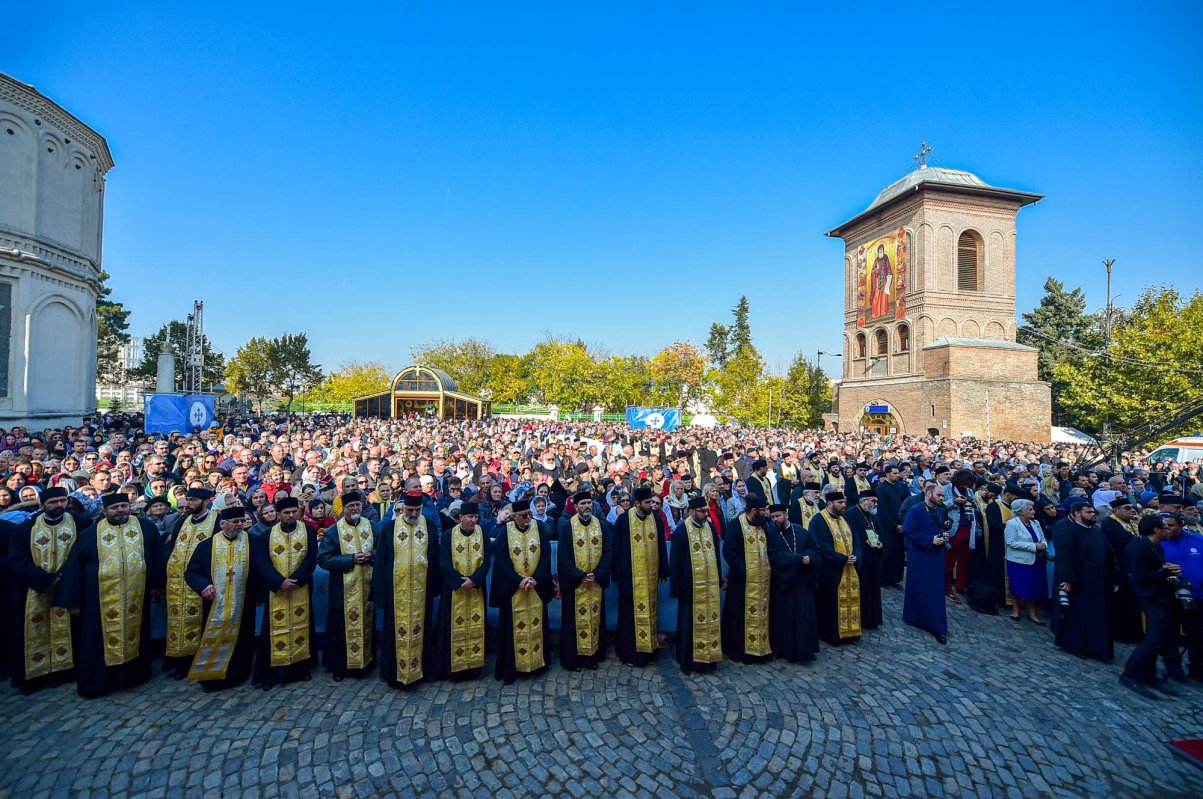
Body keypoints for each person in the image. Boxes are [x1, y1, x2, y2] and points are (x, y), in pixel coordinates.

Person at [55, 494, 165, 698]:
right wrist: (73, 601)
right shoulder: (90, 534)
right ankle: (99, 683)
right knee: (96, 641)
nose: (121, 510)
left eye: (124, 505)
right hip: (98, 600)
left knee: (137, 635)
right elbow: (74, 568)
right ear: (105, 511)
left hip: (136, 595)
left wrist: (158, 585)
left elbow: (156, 556)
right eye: (115, 507)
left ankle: (133, 676)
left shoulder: (145, 528)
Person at [9, 487, 84, 693]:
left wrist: (64, 579)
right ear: (42, 505)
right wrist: (45, 579)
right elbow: (18, 561)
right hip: (34, 590)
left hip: (68, 588)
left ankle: (64, 672)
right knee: (33, 631)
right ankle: (36, 677)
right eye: (53, 502)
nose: (59, 505)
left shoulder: (80, 524)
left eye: (62, 501)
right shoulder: (25, 529)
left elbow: (82, 557)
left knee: (70, 631)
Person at [185, 506, 258, 690]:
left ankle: (238, 674)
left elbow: (260, 570)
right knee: (214, 637)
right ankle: (212, 677)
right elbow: (192, 572)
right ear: (223, 524)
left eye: (242, 521)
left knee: (242, 640)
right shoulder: (207, 546)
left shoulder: (253, 543)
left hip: (243, 603)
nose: (240, 525)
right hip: (214, 604)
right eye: (235, 522)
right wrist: (203, 586)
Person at [372, 491, 440, 688]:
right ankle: (394, 672)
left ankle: (423, 670)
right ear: (402, 509)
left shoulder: (429, 527)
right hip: (396, 592)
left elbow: (434, 558)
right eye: (410, 510)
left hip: (421, 590)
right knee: (394, 632)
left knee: (423, 629)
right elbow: (382, 563)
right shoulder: (390, 529)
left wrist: (434, 586)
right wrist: (381, 594)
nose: (413, 513)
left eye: (417, 510)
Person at [251, 496, 318, 690]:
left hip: (300, 588)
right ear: (278, 515)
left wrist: (295, 580)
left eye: (293, 512)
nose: (290, 516)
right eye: (286, 513)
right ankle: (274, 672)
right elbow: (262, 563)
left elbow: (310, 559)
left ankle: (300, 669)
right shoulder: (266, 536)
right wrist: (279, 582)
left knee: (302, 626)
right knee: (273, 629)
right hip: (276, 591)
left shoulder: (308, 531)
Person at [1118, 515, 1183, 700]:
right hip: (1149, 598)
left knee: (1161, 637)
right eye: (1165, 527)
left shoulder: (1156, 546)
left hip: (1161, 596)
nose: (1168, 530)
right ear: (1156, 530)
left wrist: (1168, 571)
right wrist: (1165, 572)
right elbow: (1140, 577)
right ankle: (1130, 674)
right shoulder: (1138, 547)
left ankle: (1148, 674)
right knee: (1153, 638)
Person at [490, 499, 553, 684]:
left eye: (529, 514)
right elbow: (503, 563)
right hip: (514, 589)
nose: (528, 519)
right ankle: (513, 666)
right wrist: (519, 580)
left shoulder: (539, 529)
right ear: (515, 517)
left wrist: (536, 578)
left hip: (536, 587)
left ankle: (537, 663)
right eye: (524, 516)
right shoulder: (505, 533)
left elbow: (545, 556)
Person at [317, 489, 377, 681]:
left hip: (367, 589)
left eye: (358, 505)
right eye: (351, 506)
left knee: (367, 625)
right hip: (343, 590)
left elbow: (383, 549)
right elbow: (324, 559)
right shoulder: (335, 530)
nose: (355, 509)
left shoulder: (372, 526)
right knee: (340, 628)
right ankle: (341, 667)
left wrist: (372, 555)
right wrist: (350, 559)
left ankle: (366, 663)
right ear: (344, 509)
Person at [162, 487, 217, 679]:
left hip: (202, 583)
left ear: (205, 502)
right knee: (178, 624)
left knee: (200, 624)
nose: (188, 504)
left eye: (193, 500)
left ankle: (195, 663)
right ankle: (178, 660)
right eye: (188, 500)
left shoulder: (216, 521)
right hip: (178, 583)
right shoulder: (182, 522)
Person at [611, 486, 669, 666]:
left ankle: (649, 651)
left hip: (650, 579)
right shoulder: (623, 521)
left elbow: (661, 545)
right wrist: (620, 577)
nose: (651, 505)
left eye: (651, 502)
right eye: (647, 503)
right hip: (630, 579)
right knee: (629, 618)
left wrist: (663, 570)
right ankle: (629, 654)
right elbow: (617, 550)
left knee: (650, 614)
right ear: (637, 503)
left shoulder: (656, 520)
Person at [1053, 500, 1116, 663]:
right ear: (1076, 514)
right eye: (1088, 512)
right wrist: (1067, 579)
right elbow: (1064, 557)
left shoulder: (1096, 531)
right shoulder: (1068, 531)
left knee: (1098, 616)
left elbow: (1110, 556)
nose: (1093, 514)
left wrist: (1115, 578)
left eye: (1093, 512)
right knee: (1078, 616)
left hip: (1099, 581)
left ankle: (1097, 648)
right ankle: (1075, 646)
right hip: (1079, 581)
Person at [435, 501, 492, 680]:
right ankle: (456, 669)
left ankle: (474, 666)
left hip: (476, 588)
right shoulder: (448, 536)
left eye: (475, 517)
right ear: (460, 517)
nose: (473, 520)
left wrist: (474, 580)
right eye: (469, 517)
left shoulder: (482, 533)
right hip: (454, 591)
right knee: (452, 627)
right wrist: (459, 582)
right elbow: (444, 563)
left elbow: (486, 560)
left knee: (476, 624)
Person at [557, 490, 612, 671]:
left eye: (589, 503)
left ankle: (591, 658)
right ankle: (573, 660)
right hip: (576, 584)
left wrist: (598, 572)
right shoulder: (567, 526)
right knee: (573, 622)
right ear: (576, 506)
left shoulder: (601, 525)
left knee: (594, 619)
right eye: (583, 504)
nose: (587, 506)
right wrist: (579, 575)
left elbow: (607, 552)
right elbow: (563, 557)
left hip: (595, 582)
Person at [669, 496, 723, 673]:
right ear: (691, 512)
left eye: (707, 510)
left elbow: (716, 555)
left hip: (710, 586)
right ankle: (688, 660)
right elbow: (675, 563)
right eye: (702, 511)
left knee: (710, 622)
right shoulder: (681, 532)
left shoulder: (710, 527)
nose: (706, 514)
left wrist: (719, 578)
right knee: (688, 625)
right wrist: (676, 588)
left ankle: (708, 658)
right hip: (690, 588)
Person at [764, 502, 821, 664]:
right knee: (785, 618)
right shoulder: (770, 534)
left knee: (804, 617)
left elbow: (814, 548)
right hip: (784, 583)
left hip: (802, 582)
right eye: (773, 517)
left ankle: (806, 649)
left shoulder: (801, 531)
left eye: (778, 515)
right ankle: (785, 650)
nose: (776, 519)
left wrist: (809, 557)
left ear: (786, 514)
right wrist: (797, 560)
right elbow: (773, 556)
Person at [721, 495, 773, 663]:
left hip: (762, 580)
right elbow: (729, 551)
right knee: (738, 615)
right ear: (753, 510)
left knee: (762, 614)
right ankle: (738, 650)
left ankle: (760, 648)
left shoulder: (762, 524)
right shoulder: (736, 525)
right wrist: (743, 570)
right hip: (741, 581)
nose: (765, 513)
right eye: (763, 510)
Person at [808, 491, 862, 646]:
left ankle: (850, 632)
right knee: (830, 604)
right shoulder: (818, 520)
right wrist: (842, 559)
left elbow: (856, 540)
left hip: (849, 568)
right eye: (840, 502)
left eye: (844, 502)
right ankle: (832, 634)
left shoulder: (844, 519)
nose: (844, 505)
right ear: (830, 503)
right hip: (830, 570)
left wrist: (856, 555)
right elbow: (820, 546)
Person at [901, 483, 950, 644]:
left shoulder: (939, 510)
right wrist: (929, 540)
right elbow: (907, 529)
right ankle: (927, 622)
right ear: (929, 495)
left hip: (936, 555)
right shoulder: (916, 509)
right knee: (920, 586)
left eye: (942, 496)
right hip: (921, 554)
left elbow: (937, 527)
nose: (942, 498)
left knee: (935, 589)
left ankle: (933, 622)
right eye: (939, 495)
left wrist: (943, 533)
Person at [1160, 510, 1203, 682]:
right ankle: (1173, 665)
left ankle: (1198, 667)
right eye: (1163, 526)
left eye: (1170, 526)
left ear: (1181, 525)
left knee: (1198, 633)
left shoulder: (1197, 540)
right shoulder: (1157, 542)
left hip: (1197, 595)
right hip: (1169, 596)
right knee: (1169, 632)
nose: (1167, 529)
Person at [1100, 496, 1143, 643]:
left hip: (1133, 565)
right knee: (1124, 601)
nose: (1132, 510)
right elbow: (1126, 541)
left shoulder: (1132, 522)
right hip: (1120, 566)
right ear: (1117, 511)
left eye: (1132, 508)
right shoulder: (1110, 523)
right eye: (1127, 508)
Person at [1003, 498, 1048, 624]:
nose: (1033, 511)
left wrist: (1043, 545)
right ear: (1021, 512)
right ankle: (1015, 610)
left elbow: (1042, 537)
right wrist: (1034, 546)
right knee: (1017, 585)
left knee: (1034, 587)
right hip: (1018, 560)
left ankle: (1033, 613)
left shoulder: (1035, 523)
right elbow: (1011, 542)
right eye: (1030, 509)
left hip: (1035, 560)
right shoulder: (1012, 524)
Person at [845, 488, 884, 630]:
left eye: (876, 501)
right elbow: (849, 535)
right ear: (864, 501)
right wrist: (862, 542)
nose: (875, 504)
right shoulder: (850, 513)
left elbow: (878, 532)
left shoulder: (872, 516)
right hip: (861, 558)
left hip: (873, 557)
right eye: (873, 501)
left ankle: (871, 619)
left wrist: (880, 543)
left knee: (872, 588)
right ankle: (860, 619)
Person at [983, 483, 1019, 609]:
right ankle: (1000, 598)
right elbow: (994, 526)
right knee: (998, 573)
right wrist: (1014, 528)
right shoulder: (994, 506)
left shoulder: (1015, 508)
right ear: (1008, 495)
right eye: (1015, 497)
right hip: (998, 546)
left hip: (1012, 547)